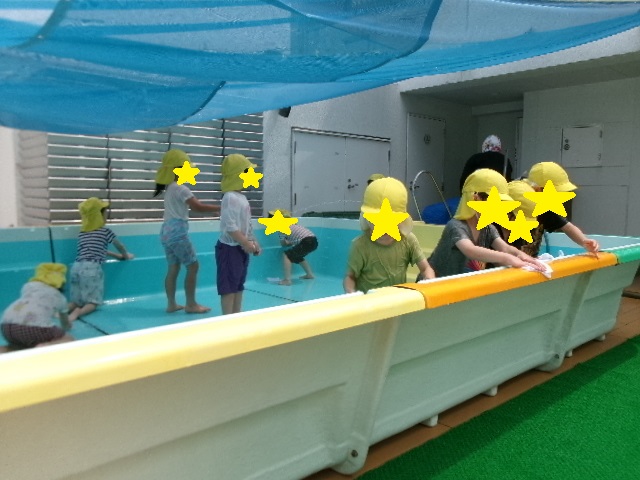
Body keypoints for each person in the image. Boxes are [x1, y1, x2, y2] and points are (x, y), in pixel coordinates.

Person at [428, 169, 547, 278]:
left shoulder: (488, 228)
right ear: (476, 198)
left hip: (461, 285)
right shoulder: (455, 226)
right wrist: (508, 258)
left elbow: (504, 247)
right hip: (434, 284)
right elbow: (470, 250)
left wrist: (521, 255)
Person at [154, 149, 220, 314]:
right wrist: (220, 207)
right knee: (193, 266)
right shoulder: (181, 189)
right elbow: (198, 207)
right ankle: (191, 304)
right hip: (177, 232)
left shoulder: (170, 188)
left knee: (173, 268)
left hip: (166, 231)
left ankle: (171, 304)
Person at [343, 177, 435, 293]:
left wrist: (429, 279)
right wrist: (351, 293)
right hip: (370, 301)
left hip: (396, 299)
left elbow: (426, 268)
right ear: (367, 218)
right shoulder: (360, 245)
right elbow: (350, 277)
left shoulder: (408, 240)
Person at [68, 198, 133, 322]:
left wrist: (116, 256)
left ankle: (62, 311)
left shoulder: (82, 233)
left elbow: (99, 251)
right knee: (93, 303)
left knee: (75, 301)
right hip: (92, 269)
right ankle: (78, 312)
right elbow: (120, 245)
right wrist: (125, 255)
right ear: (99, 216)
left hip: (76, 267)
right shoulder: (105, 231)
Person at [216, 153, 262, 315]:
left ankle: (236, 314)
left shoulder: (241, 197)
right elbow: (230, 226)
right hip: (229, 248)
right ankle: (228, 318)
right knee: (229, 286)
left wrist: (253, 241)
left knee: (238, 284)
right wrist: (245, 242)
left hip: (240, 247)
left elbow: (247, 224)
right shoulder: (230, 197)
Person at [523, 161, 600, 255]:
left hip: (528, 260)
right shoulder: (517, 207)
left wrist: (584, 241)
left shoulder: (545, 208)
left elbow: (567, 227)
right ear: (538, 190)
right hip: (512, 261)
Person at [2, 263, 73, 349]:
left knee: (16, 347)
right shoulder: (60, 298)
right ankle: (44, 346)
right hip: (33, 327)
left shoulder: (28, 286)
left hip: (6, 325)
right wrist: (67, 326)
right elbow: (65, 323)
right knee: (69, 340)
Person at [270, 209, 318, 285]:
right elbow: (297, 238)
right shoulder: (293, 224)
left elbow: (283, 244)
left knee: (287, 255)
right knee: (298, 256)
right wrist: (290, 242)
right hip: (314, 241)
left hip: (306, 241)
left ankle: (287, 280)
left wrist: (287, 243)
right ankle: (309, 274)